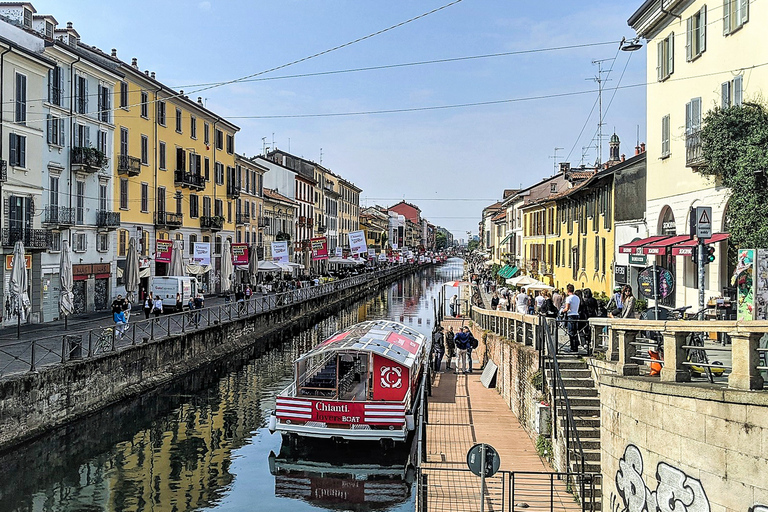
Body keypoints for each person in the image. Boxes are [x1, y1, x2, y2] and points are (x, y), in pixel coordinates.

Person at [560, 284, 581, 352]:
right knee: (575, 331)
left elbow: (567, 308)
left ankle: (573, 347)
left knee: (571, 331)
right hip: (576, 314)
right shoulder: (577, 298)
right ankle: (576, 346)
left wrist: (562, 311)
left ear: (568, 290)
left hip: (571, 315)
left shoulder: (569, 298)